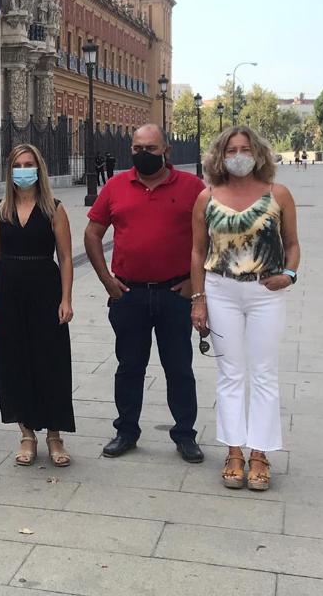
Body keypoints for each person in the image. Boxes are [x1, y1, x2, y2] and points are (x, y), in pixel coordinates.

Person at [84, 124, 206, 463]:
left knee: (179, 366)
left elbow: (210, 238)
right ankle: (126, 431)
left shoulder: (193, 188)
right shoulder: (116, 186)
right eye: (137, 148)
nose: (143, 154)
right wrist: (107, 280)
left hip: (175, 293)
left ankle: (185, 434)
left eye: (151, 148)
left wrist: (197, 285)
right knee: (129, 366)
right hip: (129, 295)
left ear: (166, 150)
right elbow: (92, 234)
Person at [190, 127, 300, 491]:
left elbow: (293, 245)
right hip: (221, 291)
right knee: (231, 373)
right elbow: (196, 252)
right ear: (219, 157)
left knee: (264, 373)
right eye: (231, 150)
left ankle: (260, 452)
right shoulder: (207, 198)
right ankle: (234, 451)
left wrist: (289, 275)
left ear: (259, 154)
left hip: (265, 292)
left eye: (245, 149)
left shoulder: (278, 195)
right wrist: (199, 299)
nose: (239, 156)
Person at [0, 144, 75, 467]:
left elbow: (65, 257)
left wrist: (66, 299)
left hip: (44, 289)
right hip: (8, 291)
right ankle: (26, 433)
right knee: (14, 361)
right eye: (18, 165)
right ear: (10, 171)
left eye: (29, 164)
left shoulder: (54, 209)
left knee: (51, 361)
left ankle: (54, 434)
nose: (24, 170)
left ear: (39, 169)